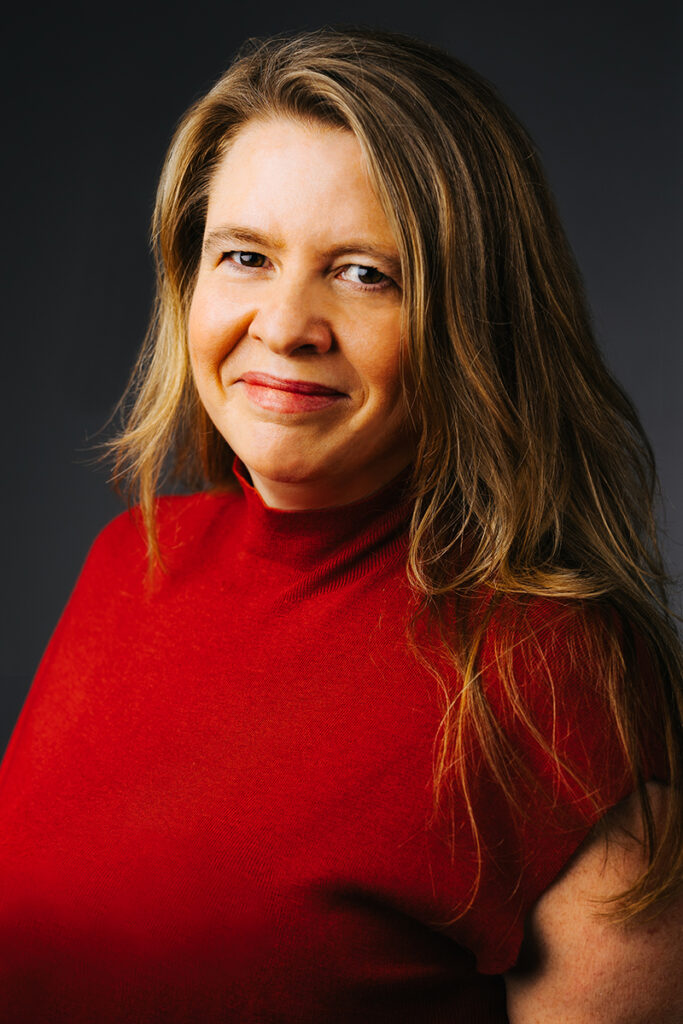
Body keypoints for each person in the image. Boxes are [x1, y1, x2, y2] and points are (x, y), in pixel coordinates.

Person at [0, 26, 681, 1023]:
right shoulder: (132, 559)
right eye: (244, 256)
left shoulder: (559, 676)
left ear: (475, 318)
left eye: (365, 272)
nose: (285, 324)